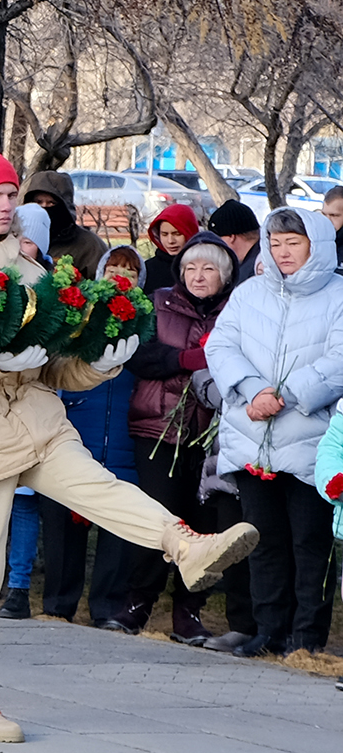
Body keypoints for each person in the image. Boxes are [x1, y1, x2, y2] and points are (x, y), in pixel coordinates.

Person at [0, 150, 258, 740]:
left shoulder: (35, 275)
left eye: (12, 193)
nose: (8, 205)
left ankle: (185, 544)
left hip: (38, 422)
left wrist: (100, 365)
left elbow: (56, 369)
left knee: (103, 488)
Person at [206, 206, 343, 660]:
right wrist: (251, 391)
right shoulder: (249, 294)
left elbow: (339, 359)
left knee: (310, 543)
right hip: (253, 436)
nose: (284, 252)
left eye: (294, 243)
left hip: (309, 441)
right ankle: (269, 630)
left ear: (315, 245)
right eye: (277, 242)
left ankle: (306, 638)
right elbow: (221, 345)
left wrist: (284, 395)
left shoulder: (339, 294)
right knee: (263, 541)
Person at [106, 239, 234, 643]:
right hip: (159, 428)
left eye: (209, 269)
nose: (198, 276)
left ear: (224, 275)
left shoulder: (236, 310)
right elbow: (137, 355)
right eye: (191, 268)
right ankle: (136, 603)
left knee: (205, 523)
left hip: (212, 434)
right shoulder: (157, 302)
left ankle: (188, 610)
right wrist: (183, 361)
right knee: (160, 516)